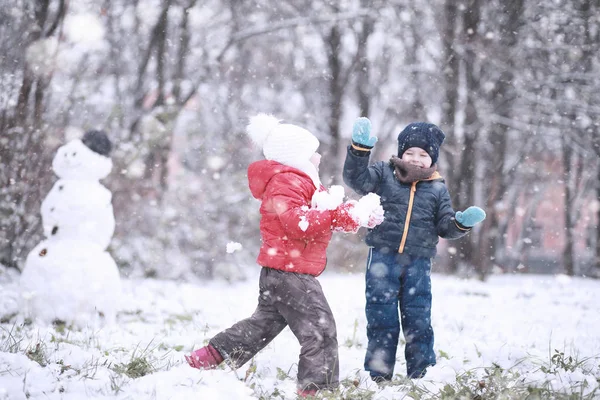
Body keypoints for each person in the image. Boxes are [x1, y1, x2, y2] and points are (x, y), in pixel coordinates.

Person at [186, 114, 384, 397]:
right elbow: (298, 222)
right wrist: (337, 214)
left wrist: (357, 215)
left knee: (261, 326)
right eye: (312, 152)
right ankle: (317, 389)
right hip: (291, 273)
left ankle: (209, 356)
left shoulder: (299, 182)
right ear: (297, 156)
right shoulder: (287, 181)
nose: (317, 157)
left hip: (280, 270)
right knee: (320, 328)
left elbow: (324, 212)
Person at [343, 117, 486, 381]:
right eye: (410, 152)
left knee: (418, 319)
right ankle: (378, 375)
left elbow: (444, 225)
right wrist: (359, 151)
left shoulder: (437, 188)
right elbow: (356, 179)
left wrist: (460, 223)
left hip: (418, 263)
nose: (416, 158)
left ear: (433, 159)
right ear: (400, 154)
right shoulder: (384, 173)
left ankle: (423, 375)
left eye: (423, 154)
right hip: (382, 258)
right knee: (381, 318)